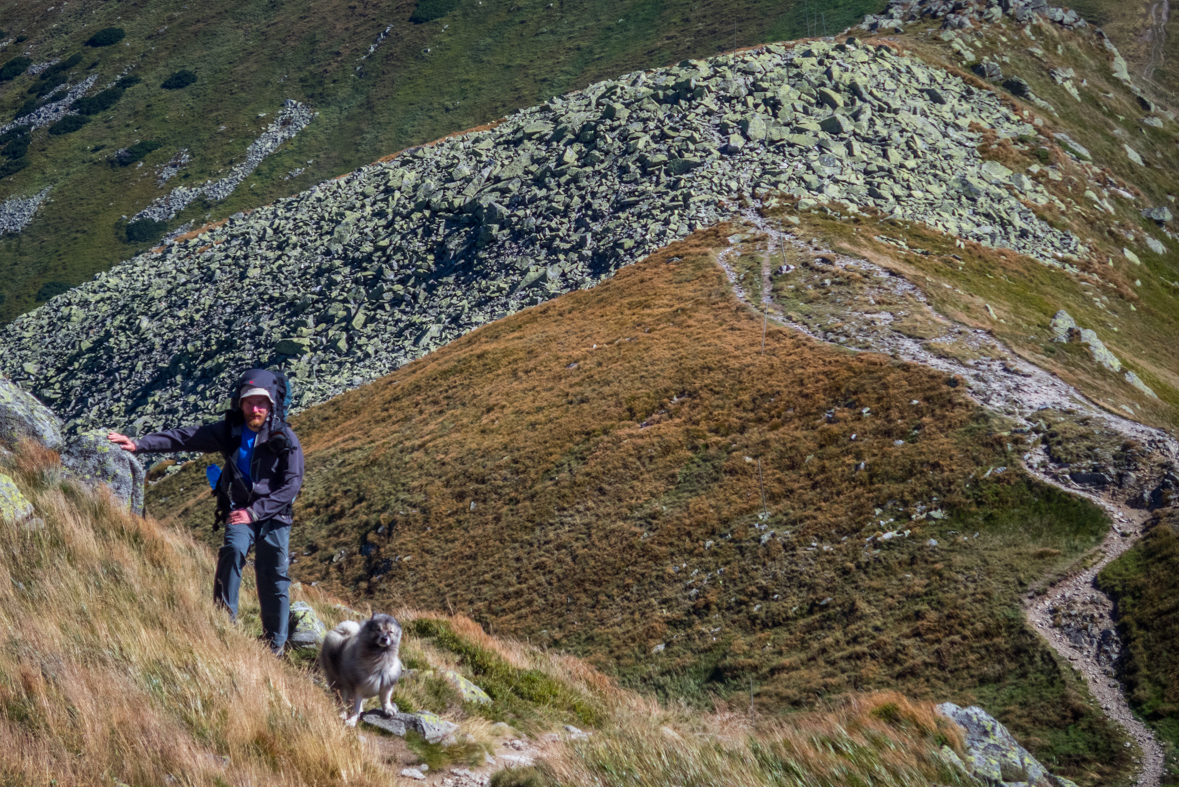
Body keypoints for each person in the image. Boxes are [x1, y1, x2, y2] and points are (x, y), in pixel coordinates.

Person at [107, 368, 304, 655]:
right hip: (239, 511)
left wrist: (256, 512)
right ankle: (224, 626)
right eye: (249, 402)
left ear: (272, 403)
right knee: (233, 551)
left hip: (274, 516)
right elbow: (185, 438)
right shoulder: (230, 431)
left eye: (261, 403)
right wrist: (139, 444)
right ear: (240, 403)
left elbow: (291, 485)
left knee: (273, 575)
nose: (255, 408)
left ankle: (274, 645)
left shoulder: (285, 437)